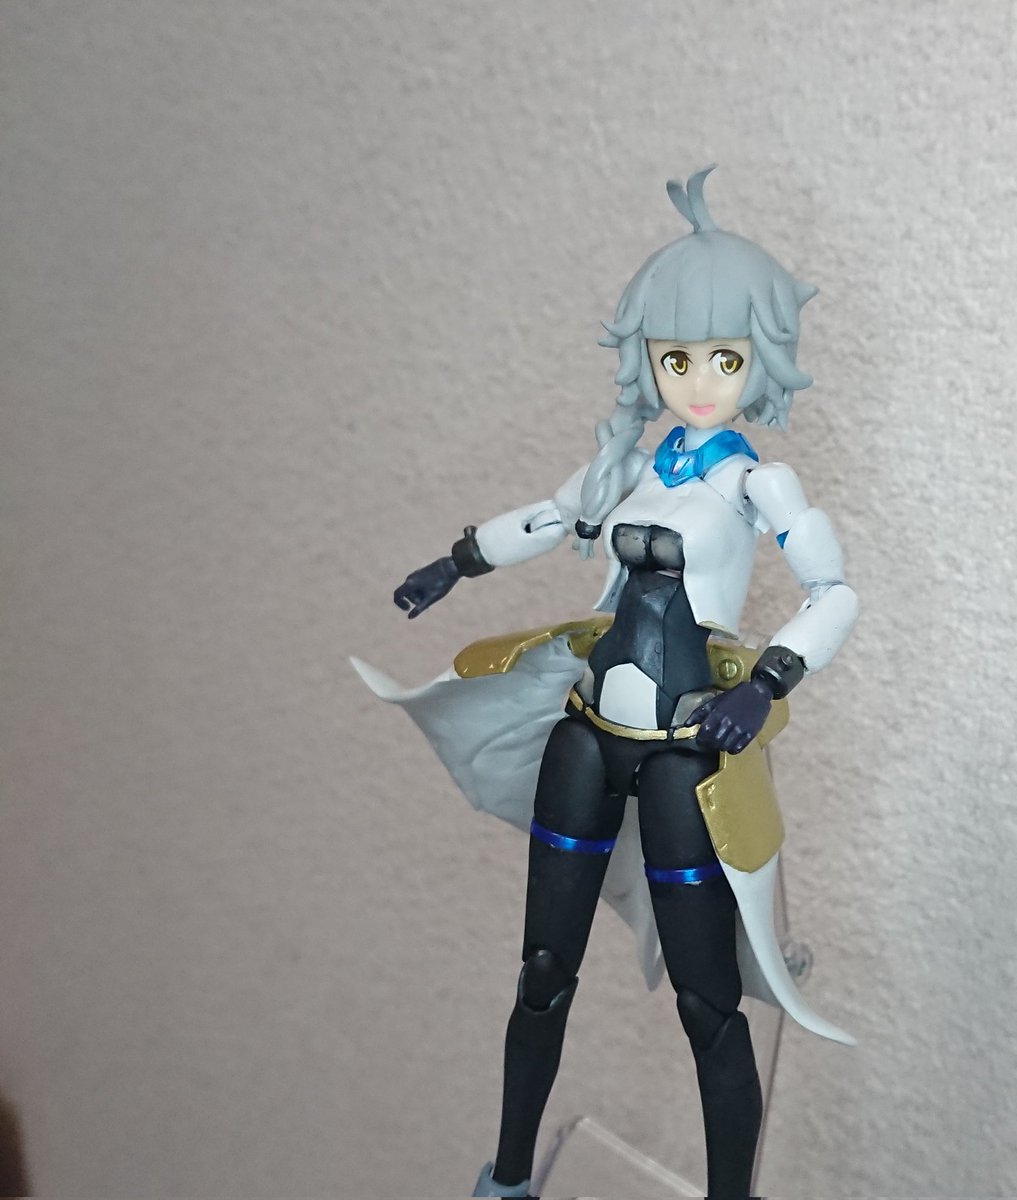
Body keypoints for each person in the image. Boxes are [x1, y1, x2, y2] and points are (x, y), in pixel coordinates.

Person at [352, 166, 859, 1200]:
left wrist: (766, 682)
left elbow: (834, 591)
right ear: (648, 359)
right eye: (678, 357)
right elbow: (549, 518)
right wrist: (457, 560)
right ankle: (508, 1176)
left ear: (761, 359)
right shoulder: (630, 465)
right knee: (543, 976)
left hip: (684, 753)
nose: (699, 380)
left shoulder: (757, 482)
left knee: (707, 1007)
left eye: (725, 357)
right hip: (588, 733)